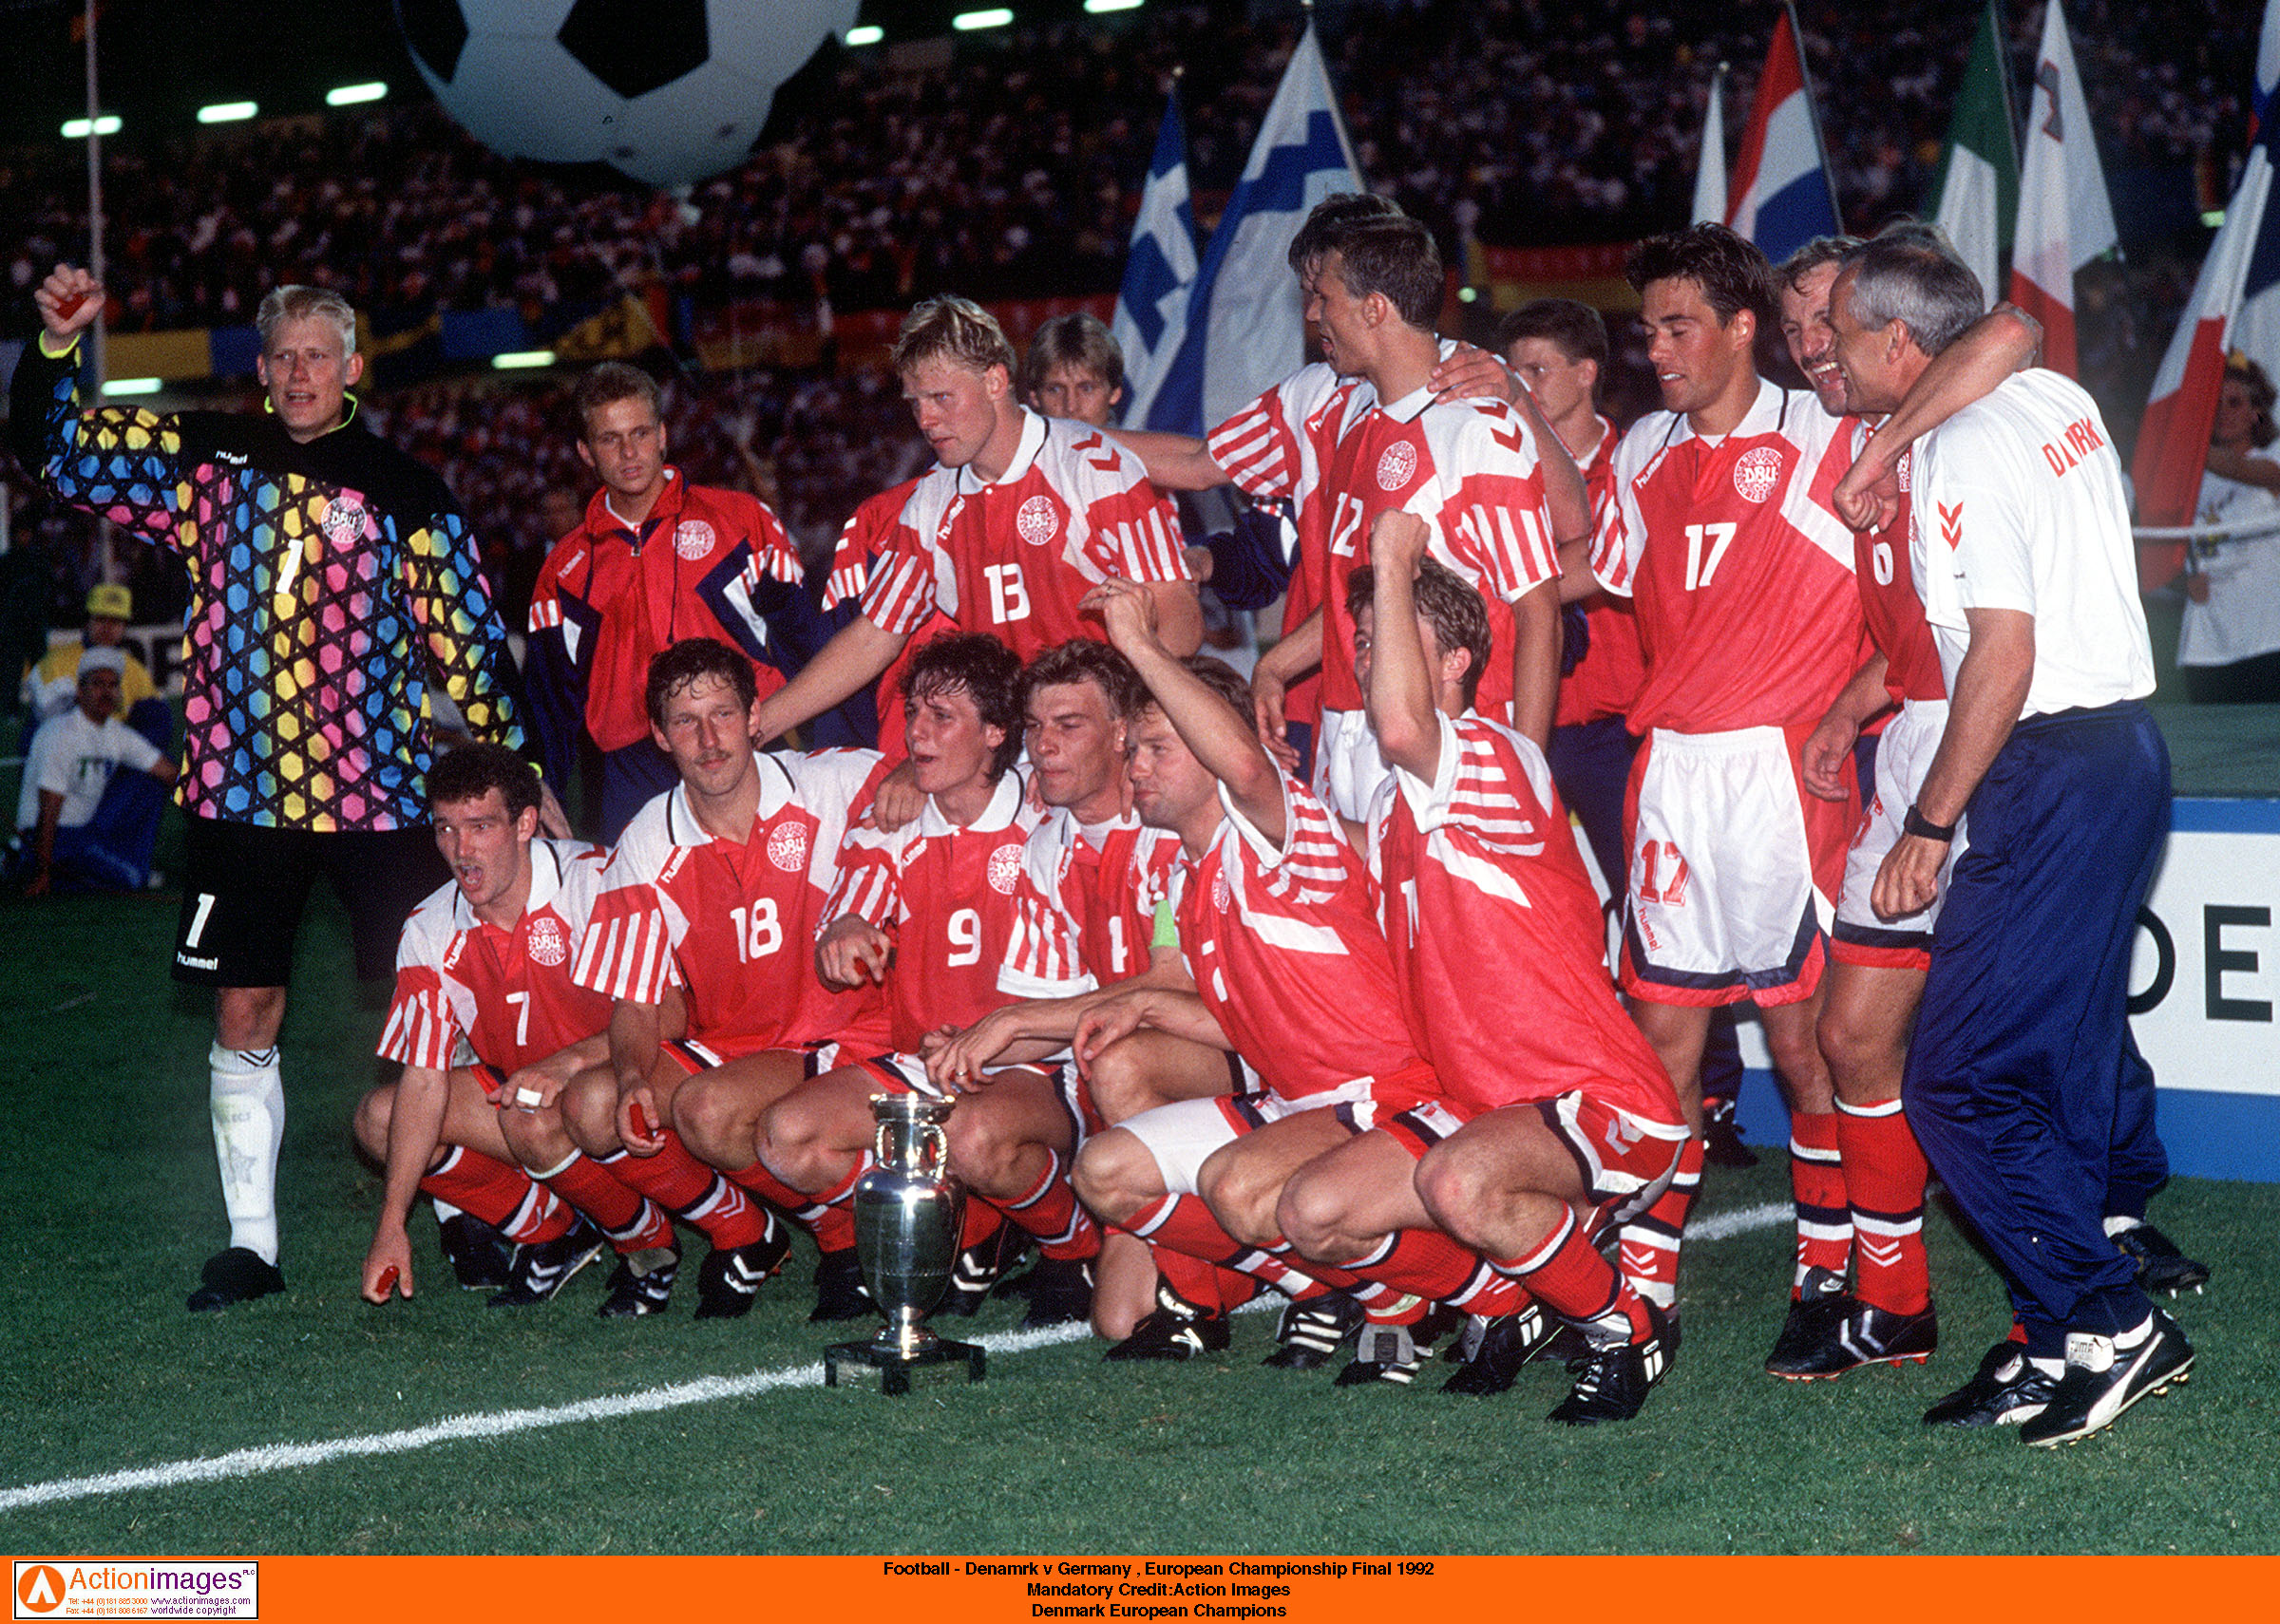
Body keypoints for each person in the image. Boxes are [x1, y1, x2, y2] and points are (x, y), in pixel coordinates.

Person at [10, 266, 547, 1312]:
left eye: (320, 354)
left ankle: (471, 1212)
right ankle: (250, 1246)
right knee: (244, 1005)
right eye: (283, 356)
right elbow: (56, 452)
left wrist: (516, 773)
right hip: (238, 792)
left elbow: (473, 648)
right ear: (263, 372)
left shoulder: (406, 490)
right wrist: (58, 350)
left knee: (430, 1005)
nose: (301, 373)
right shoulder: (206, 458)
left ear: (352, 368)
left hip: (383, 795)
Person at [1825, 241, 2196, 1447]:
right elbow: (2011, 333)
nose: (1823, 348)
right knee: (2064, 1063)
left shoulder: (1963, 451)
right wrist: (1887, 444)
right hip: (2124, 753)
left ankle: (2112, 1319)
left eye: (1837, 328)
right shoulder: (2049, 397)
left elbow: (2002, 653)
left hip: (2048, 767)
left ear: (1898, 345)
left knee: (1958, 1079)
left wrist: (1931, 822)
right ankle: (2056, 1334)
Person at [1068, 577, 1541, 1388]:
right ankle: (1359, 1288)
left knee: (1242, 1191)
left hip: (1387, 1092)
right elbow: (1256, 1023)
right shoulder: (1195, 876)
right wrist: (1149, 1004)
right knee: (1104, 1173)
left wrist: (1140, 645)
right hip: (1303, 1099)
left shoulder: (1290, 832)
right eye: (1133, 751)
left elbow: (1249, 766)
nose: (1135, 768)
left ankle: (1481, 1290)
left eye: (1158, 749)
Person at [1354, 523, 1689, 1422]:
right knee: (1308, 1210)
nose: (1366, 656)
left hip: (1597, 1100)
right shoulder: (1398, 802)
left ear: (1459, 659)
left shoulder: (1488, 756)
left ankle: (1627, 1327)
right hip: (1491, 1103)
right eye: (1363, 641)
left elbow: (1398, 723)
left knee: (1455, 1185)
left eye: (1386, 635)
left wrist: (1394, 561)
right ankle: (1514, 1295)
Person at [560, 637, 896, 1319]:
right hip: (739, 1042)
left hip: (846, 1035)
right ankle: (747, 1232)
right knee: (592, 1108)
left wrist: (913, 778)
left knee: (705, 1110)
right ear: (658, 735)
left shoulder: (832, 781)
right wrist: (629, 1075)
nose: (708, 740)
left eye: (722, 715)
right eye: (685, 721)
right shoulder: (649, 837)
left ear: (753, 716)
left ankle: (846, 1239)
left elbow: (949, 767)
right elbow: (637, 996)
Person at [919, 638, 1239, 1337]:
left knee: (1117, 1057)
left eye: (1069, 726)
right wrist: (977, 1045)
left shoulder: (1174, 822)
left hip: (1217, 1056)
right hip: (1102, 1068)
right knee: (965, 1125)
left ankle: (1253, 1270)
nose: (1043, 748)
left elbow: (1169, 986)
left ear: (1122, 732)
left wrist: (1012, 1024)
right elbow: (1044, 997)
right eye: (1035, 728)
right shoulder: (1049, 843)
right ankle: (1076, 1243)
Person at [745, 296, 1200, 747]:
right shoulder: (929, 502)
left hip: (1104, 737)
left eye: (942, 397)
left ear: (996, 381)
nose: (926, 419)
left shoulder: (1097, 469)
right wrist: (757, 726)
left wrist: (1127, 726)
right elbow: (873, 637)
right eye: (915, 402)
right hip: (1009, 750)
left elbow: (1180, 615)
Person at [756, 633, 1056, 1315]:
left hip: (1036, 1060)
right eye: (912, 712)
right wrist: (844, 936)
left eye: (940, 717)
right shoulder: (892, 821)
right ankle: (950, 1236)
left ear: (996, 733)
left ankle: (1073, 1252)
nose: (915, 732)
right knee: (785, 1137)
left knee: (976, 1138)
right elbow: (844, 925)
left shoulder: (1044, 814)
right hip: (926, 1060)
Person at [356, 743, 680, 1312]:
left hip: (632, 1078)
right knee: (380, 1120)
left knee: (536, 1110)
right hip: (531, 1100)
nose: (461, 850)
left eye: (480, 826)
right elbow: (426, 1080)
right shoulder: (429, 927)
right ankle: (553, 1232)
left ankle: (650, 1243)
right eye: (445, 829)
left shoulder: (598, 879)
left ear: (526, 822)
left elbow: (673, 1011)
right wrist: (391, 1224)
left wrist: (569, 1063)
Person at [524, 362, 849, 841]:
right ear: (586, 452)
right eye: (610, 439)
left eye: (639, 433)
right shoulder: (565, 572)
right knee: (652, 912)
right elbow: (549, 704)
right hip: (632, 772)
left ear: (662, 435)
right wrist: (539, 785)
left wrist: (838, 750)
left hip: (748, 739)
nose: (629, 452)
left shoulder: (739, 522)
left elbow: (810, 642)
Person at [12, 647, 177, 894]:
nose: (106, 692)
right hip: (47, 835)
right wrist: (42, 872)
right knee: (130, 879)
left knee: (151, 782)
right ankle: (33, 868)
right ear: (80, 691)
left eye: (113, 685)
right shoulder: (60, 733)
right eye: (97, 684)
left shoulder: (115, 733)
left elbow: (167, 771)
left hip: (83, 834)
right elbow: (49, 807)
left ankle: (42, 870)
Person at [2177, 357, 2280, 703]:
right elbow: (2168, 545)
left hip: (2266, 638)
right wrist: (2182, 579)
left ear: (2256, 412)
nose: (2223, 411)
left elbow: (2254, 473)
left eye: (2235, 402)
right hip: (2206, 644)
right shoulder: (2190, 477)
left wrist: (2183, 447)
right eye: (2214, 403)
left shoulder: (2273, 455)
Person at [21, 581, 160, 728]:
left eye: (115, 621)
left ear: (125, 626)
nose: (107, 628)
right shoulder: (55, 661)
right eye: (100, 619)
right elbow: (42, 717)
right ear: (87, 622)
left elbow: (157, 717)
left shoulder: (134, 669)